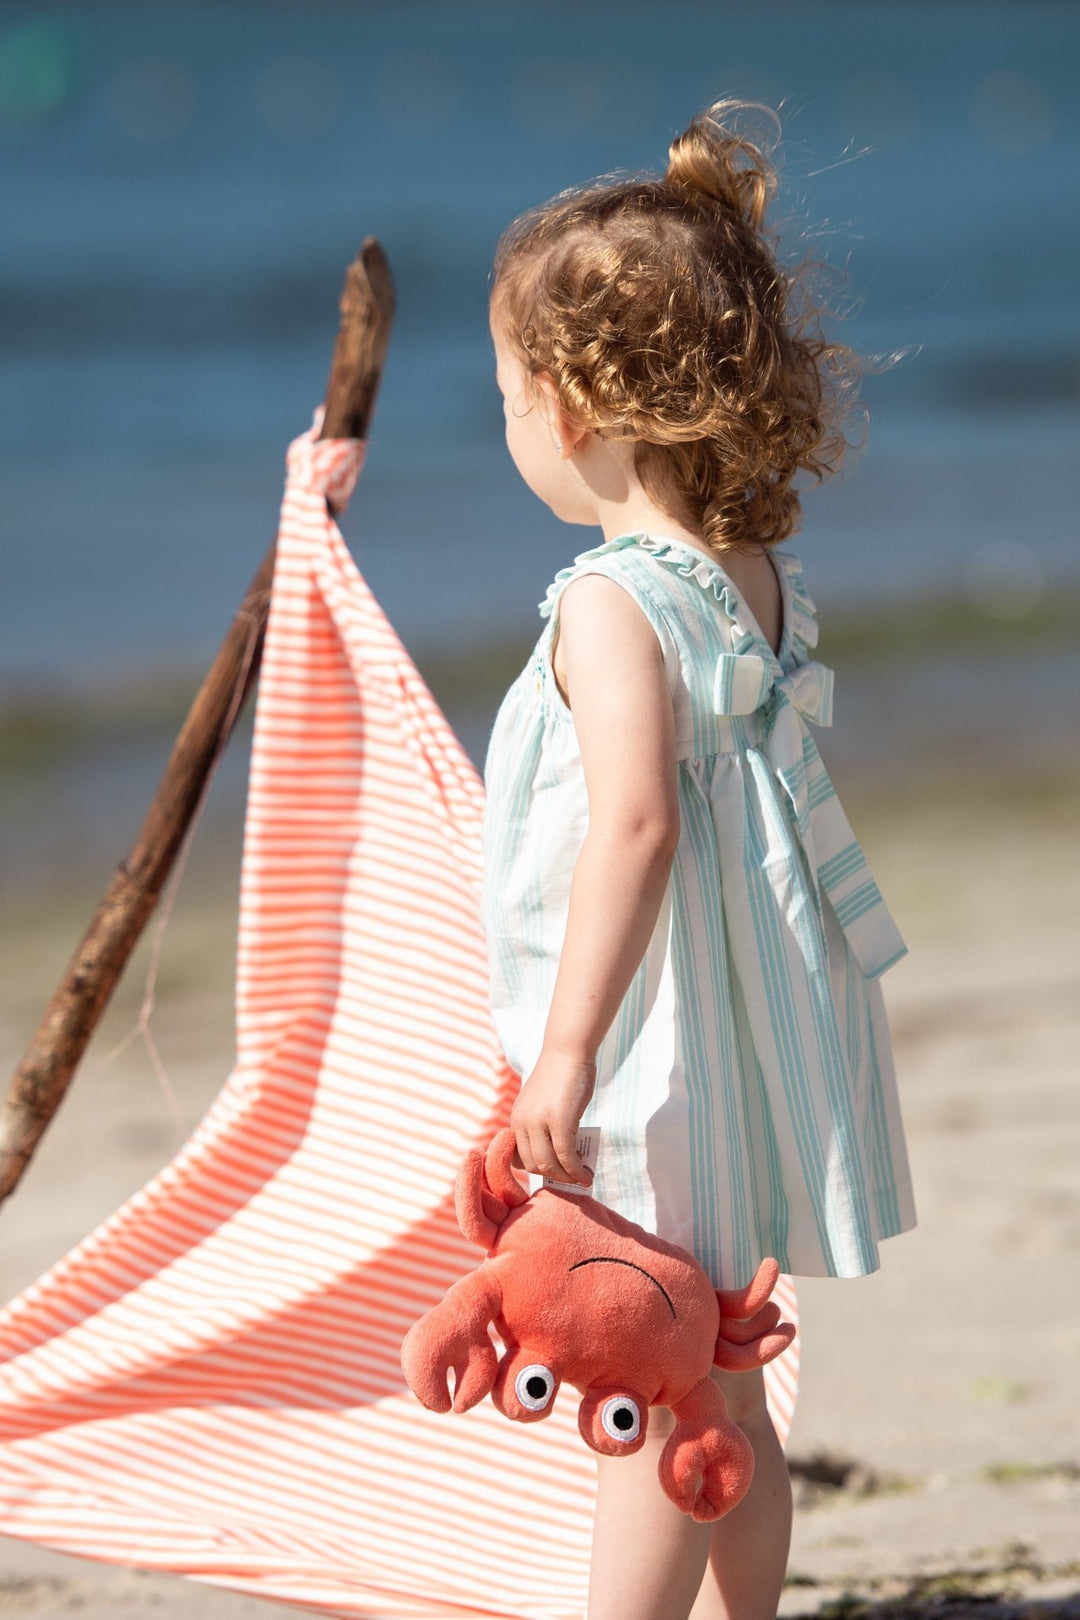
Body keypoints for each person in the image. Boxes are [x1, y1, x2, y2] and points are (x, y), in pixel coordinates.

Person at [478, 98, 916, 1620]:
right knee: (720, 1365)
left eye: (510, 397)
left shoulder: (609, 602)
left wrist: (564, 1053)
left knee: (646, 1380)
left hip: (652, 1058)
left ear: (582, 407)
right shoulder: (751, 578)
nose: (511, 428)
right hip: (745, 1047)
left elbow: (640, 823)